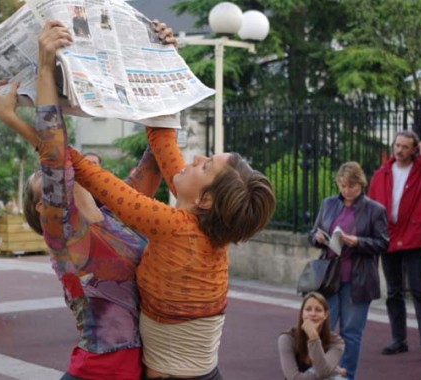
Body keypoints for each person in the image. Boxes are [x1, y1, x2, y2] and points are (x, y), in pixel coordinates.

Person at [62, 20, 276, 379]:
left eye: (205, 165)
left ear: (206, 199)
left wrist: (43, 118)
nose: (194, 159)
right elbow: (164, 141)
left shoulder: (174, 225)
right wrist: (164, 57)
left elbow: (98, 181)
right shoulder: (209, 220)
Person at [0, 19, 170, 380]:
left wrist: (161, 57)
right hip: (99, 371)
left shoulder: (112, 214)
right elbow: (54, 156)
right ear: (42, 207)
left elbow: (155, 160)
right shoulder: (63, 234)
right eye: (44, 180)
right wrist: (44, 65)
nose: (51, 176)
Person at [368, 130, 421, 365]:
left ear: (414, 149)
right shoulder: (382, 172)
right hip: (389, 238)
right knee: (394, 292)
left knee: (419, 293)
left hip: (415, 237)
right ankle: (398, 339)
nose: (399, 150)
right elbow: (372, 204)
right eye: (397, 145)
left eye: (405, 146)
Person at [308, 162, 389, 380]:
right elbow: (313, 232)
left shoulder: (375, 210)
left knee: (350, 334)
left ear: (361, 184)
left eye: (351, 186)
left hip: (358, 280)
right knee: (322, 329)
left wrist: (358, 242)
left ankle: (346, 376)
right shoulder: (328, 204)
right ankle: (322, 372)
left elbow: (383, 243)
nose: (346, 190)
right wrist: (316, 238)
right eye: (342, 185)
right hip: (329, 278)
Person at [278, 292, 345, 380]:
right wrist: (334, 371)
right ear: (302, 313)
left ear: (325, 315)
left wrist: (313, 336)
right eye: (308, 309)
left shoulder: (336, 342)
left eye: (318, 310)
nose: (313, 314)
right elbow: (294, 378)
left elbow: (323, 373)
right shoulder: (287, 338)